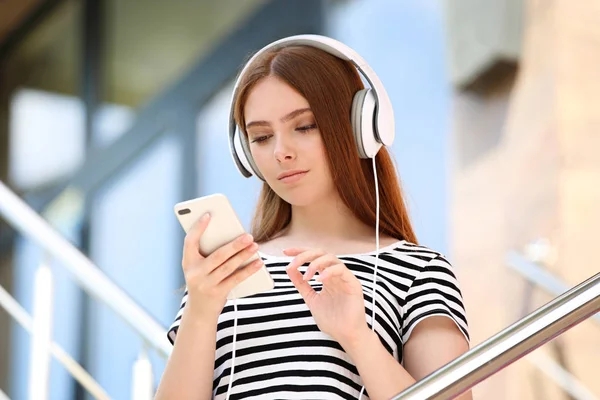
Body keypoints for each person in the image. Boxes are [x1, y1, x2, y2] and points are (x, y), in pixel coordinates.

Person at [156, 35, 471, 400]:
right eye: (260, 137)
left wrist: (356, 336)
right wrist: (200, 310)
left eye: (304, 127)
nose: (280, 152)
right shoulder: (223, 271)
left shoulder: (419, 271)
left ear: (358, 128)